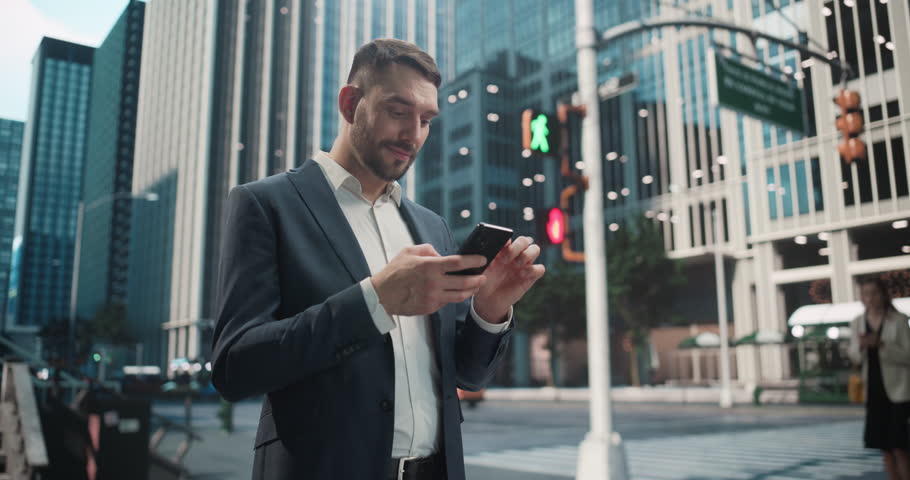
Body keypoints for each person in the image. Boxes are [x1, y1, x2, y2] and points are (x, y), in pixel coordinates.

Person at [210, 38, 546, 480]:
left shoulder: (431, 228)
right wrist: (375, 301)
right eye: (398, 111)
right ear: (351, 103)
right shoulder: (266, 205)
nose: (415, 134)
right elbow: (235, 367)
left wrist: (489, 310)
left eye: (426, 119)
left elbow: (467, 375)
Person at [849, 277, 910, 480]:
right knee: (885, 448)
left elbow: (908, 356)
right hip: (874, 390)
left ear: (883, 294)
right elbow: (854, 356)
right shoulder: (857, 322)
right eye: (866, 294)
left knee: (900, 446)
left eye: (874, 293)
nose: (870, 298)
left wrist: (882, 344)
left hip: (898, 391)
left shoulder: (898, 320)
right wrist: (861, 346)